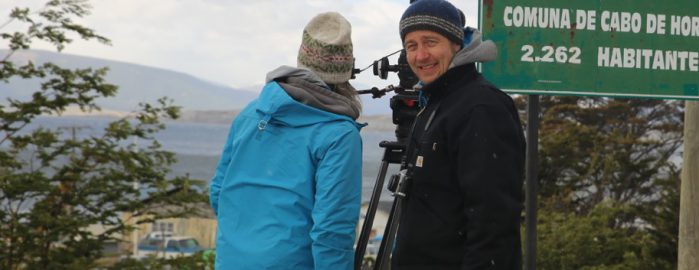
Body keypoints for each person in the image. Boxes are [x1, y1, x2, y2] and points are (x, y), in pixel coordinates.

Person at [209, 12, 363, 269]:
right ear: (346, 69)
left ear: (302, 59)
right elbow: (332, 231)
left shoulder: (251, 112)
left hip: (231, 260)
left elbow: (219, 192)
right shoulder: (339, 134)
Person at [391, 0, 526, 269]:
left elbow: (493, 224)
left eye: (430, 42)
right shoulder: (437, 101)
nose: (420, 56)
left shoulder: (481, 107)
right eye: (411, 46)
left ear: (456, 44)